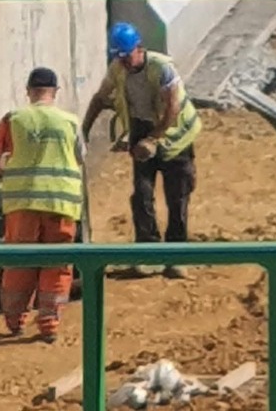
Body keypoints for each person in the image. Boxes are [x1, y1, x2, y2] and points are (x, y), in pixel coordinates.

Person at [83, 23, 201, 277]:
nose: (124, 62)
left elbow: (172, 108)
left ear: (139, 48)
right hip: (141, 130)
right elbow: (100, 98)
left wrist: (153, 139)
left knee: (177, 197)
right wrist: (84, 130)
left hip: (174, 136)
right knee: (142, 196)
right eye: (119, 57)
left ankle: (177, 255)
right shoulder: (117, 69)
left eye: (127, 56)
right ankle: (149, 254)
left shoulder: (161, 68)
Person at [0, 65, 85, 343]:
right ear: (55, 92)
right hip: (60, 205)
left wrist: (9, 165)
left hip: (22, 204)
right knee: (57, 263)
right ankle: (49, 324)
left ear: (29, 91)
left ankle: (14, 321)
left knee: (19, 261)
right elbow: (80, 158)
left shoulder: (13, 119)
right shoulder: (70, 122)